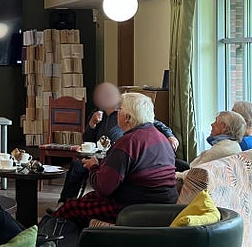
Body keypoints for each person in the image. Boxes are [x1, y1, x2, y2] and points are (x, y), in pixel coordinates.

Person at [54, 91, 177, 228]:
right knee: (88, 198)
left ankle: (49, 237)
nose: (117, 112)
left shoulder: (127, 142)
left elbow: (103, 188)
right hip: (165, 206)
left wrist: (94, 166)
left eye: (119, 109)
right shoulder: (161, 138)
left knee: (70, 208)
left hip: (134, 207)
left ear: (128, 118)